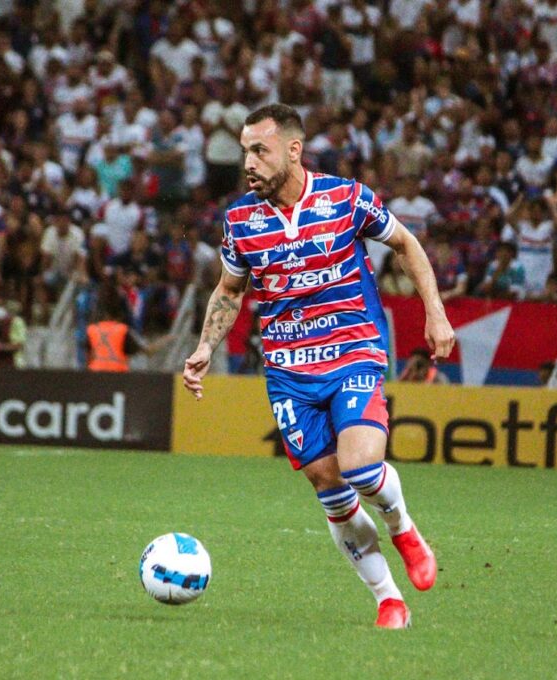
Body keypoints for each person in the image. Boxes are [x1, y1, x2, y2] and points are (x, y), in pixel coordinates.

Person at [182, 104, 454, 630]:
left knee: (360, 468)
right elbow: (229, 289)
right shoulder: (241, 220)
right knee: (328, 485)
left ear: (293, 150)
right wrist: (205, 347)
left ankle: (401, 525)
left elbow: (406, 244)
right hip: (286, 370)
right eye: (244, 152)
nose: (249, 163)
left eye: (259, 150)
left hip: (352, 350)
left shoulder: (346, 198)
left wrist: (435, 315)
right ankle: (387, 599)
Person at [85, 303, 172, 372]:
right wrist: (165, 340)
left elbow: (87, 355)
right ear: (119, 316)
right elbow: (148, 351)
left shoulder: (92, 330)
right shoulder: (122, 330)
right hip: (117, 374)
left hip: (95, 374)